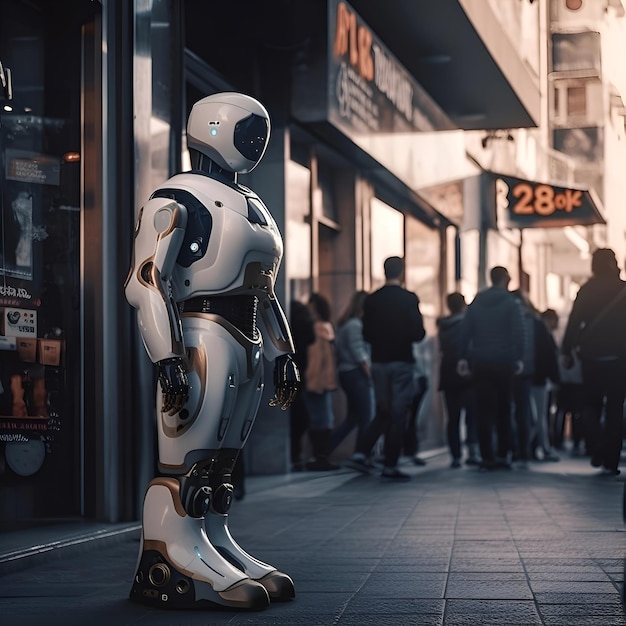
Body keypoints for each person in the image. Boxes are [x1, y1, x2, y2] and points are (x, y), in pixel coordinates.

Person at [125, 93, 300, 610]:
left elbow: (263, 291)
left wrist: (282, 351)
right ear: (217, 126)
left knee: (221, 466)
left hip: (245, 337)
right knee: (188, 459)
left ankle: (214, 542)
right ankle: (169, 552)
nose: (255, 140)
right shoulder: (176, 195)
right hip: (200, 333)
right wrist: (166, 356)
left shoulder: (254, 204)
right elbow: (146, 283)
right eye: (248, 129)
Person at [345, 256, 426, 481]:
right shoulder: (409, 299)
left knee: (383, 410)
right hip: (402, 361)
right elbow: (418, 333)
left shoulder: (372, 300)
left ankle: (361, 453)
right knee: (399, 414)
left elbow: (366, 334)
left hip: (379, 362)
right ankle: (390, 465)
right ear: (402, 272)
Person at [561, 248, 626, 476]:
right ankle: (611, 458)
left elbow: (574, 320)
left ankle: (596, 446)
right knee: (615, 408)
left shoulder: (586, 290)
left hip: (591, 356)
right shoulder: (623, 289)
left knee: (591, 404)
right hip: (619, 357)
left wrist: (566, 349)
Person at [457, 266, 525, 471]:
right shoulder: (512, 303)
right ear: (505, 279)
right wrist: (519, 357)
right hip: (504, 362)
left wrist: (462, 357)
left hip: (481, 362)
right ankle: (503, 454)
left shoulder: (476, 302)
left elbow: (465, 331)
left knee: (483, 411)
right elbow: (519, 332)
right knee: (504, 409)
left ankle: (487, 457)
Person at [437, 292, 479, 468]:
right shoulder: (468, 324)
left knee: (452, 417)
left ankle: (455, 455)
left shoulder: (443, 326)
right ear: (463, 305)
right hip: (468, 373)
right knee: (472, 416)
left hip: (448, 374)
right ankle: (472, 452)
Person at [331, 290, 375, 462]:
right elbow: (360, 355)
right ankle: (361, 455)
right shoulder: (355, 325)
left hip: (348, 373)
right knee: (366, 417)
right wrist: (371, 376)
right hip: (356, 374)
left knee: (353, 418)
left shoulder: (347, 324)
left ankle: (324, 449)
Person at [303, 292, 339, 471]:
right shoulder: (327, 328)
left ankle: (319, 458)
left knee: (319, 421)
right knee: (325, 420)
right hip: (325, 381)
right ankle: (322, 457)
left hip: (316, 381)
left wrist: (313, 382)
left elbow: (316, 360)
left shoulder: (316, 328)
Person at [289, 300, 316, 471]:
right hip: (297, 374)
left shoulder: (294, 319)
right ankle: (295, 454)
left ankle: (295, 454)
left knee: (298, 417)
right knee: (300, 418)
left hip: (291, 374)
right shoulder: (304, 320)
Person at [531, 309, 561, 462]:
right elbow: (549, 356)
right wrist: (555, 378)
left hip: (524, 375)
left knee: (529, 414)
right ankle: (544, 448)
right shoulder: (540, 328)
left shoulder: (531, 325)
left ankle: (529, 447)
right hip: (538, 377)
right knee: (540, 415)